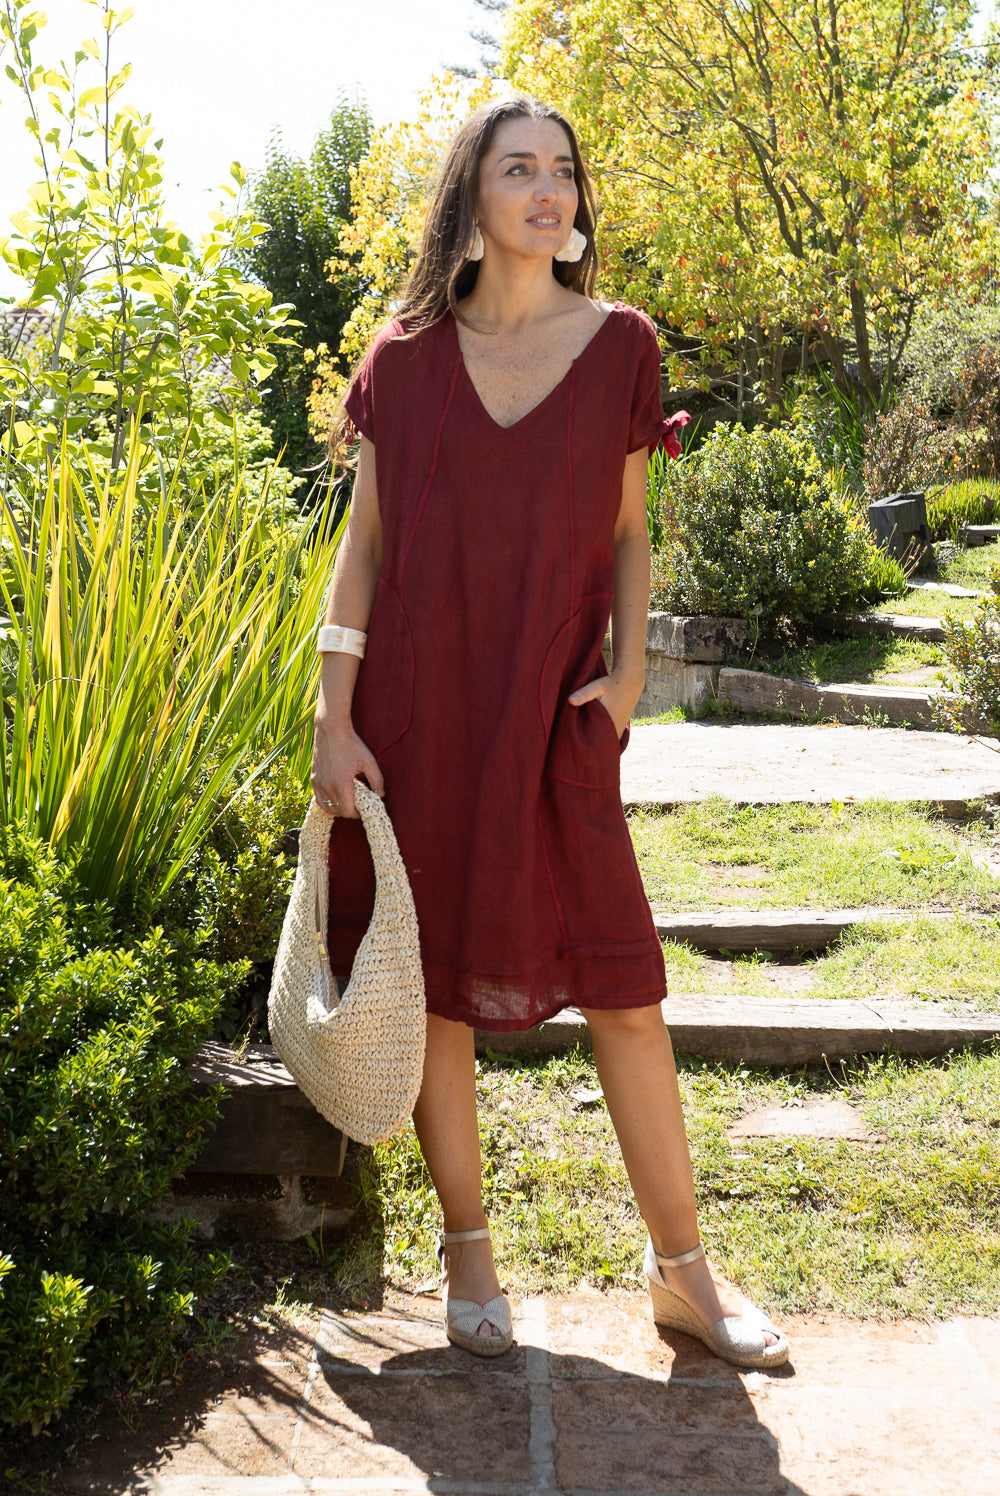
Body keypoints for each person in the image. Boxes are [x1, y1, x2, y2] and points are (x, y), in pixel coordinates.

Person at [310, 96, 788, 1369]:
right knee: (438, 986)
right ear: (470, 197)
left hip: (557, 714)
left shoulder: (620, 342)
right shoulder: (405, 357)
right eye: (518, 168)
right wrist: (333, 717)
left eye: (562, 171)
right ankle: (469, 1246)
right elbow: (362, 548)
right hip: (418, 713)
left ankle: (683, 1271)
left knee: (623, 986)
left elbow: (628, 529)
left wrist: (627, 674)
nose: (547, 190)